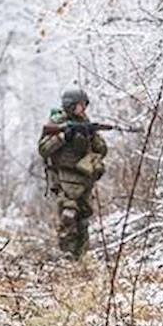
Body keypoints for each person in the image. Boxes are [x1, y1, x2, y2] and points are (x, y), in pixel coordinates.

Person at [36, 88, 107, 259]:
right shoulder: (58, 122)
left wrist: (92, 136)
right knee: (69, 215)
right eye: (80, 105)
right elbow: (44, 149)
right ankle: (67, 255)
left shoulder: (85, 122)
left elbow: (102, 150)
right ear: (70, 105)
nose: (83, 109)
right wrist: (63, 137)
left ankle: (80, 257)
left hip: (83, 179)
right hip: (64, 178)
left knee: (83, 217)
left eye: (84, 105)